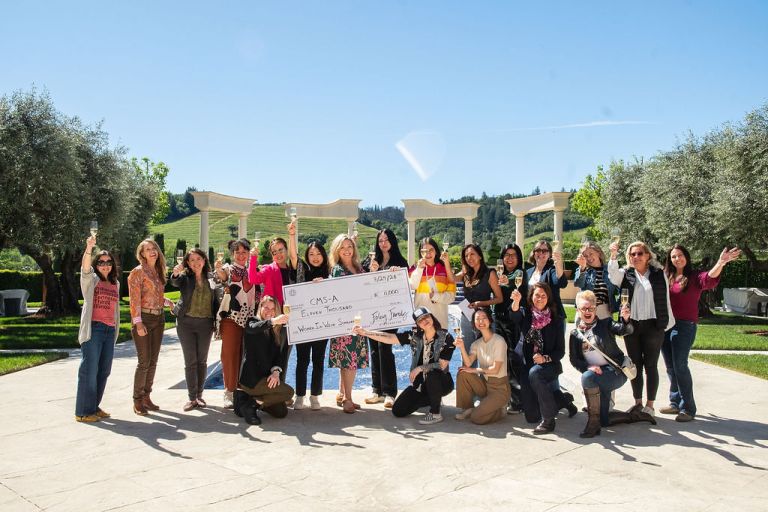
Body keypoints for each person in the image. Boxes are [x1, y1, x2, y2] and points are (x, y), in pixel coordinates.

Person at [660, 244, 741, 422]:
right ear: (669, 260)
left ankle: (688, 408)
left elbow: (709, 277)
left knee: (680, 365)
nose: (677, 259)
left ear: (686, 257)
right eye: (673, 256)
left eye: (680, 255)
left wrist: (721, 262)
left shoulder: (694, 276)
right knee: (671, 367)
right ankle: (675, 402)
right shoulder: (667, 276)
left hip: (684, 326)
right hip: (666, 326)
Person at [568, 291, 656, 437]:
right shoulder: (575, 334)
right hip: (596, 376)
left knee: (587, 378)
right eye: (584, 308)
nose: (588, 312)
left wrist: (626, 320)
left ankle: (592, 424)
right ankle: (635, 416)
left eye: (591, 308)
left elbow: (625, 330)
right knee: (604, 419)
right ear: (578, 310)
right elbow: (574, 360)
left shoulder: (606, 324)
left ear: (596, 309)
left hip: (615, 372)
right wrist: (587, 367)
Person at [356, 307, 455, 425]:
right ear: (418, 324)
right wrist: (366, 332)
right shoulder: (415, 336)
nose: (425, 321)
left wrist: (419, 368)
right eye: (420, 320)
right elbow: (390, 338)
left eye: (426, 317)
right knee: (398, 410)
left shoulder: (446, 336)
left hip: (442, 382)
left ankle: (435, 413)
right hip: (420, 385)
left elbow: (442, 365)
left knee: (432, 374)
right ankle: (432, 399)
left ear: (431, 317)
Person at [608, 241, 675, 417]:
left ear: (647, 256)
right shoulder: (626, 274)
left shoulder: (659, 274)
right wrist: (613, 255)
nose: (635, 257)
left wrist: (666, 323)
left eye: (639, 253)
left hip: (654, 325)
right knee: (634, 365)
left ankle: (650, 405)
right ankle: (637, 402)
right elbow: (612, 275)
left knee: (651, 365)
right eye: (632, 254)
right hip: (632, 325)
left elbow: (665, 300)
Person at [525, 239, 577, 417]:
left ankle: (555, 400)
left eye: (545, 250)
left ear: (549, 253)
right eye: (538, 250)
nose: (541, 253)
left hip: (552, 320)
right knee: (535, 359)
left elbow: (561, 282)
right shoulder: (528, 272)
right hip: (533, 321)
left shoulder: (551, 270)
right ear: (533, 252)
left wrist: (558, 263)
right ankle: (560, 400)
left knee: (550, 359)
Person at [170, 248, 223, 412]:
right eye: (191, 260)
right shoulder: (185, 277)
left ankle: (199, 395)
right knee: (190, 361)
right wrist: (175, 274)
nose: (195, 263)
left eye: (198, 259)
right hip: (186, 323)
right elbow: (174, 282)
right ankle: (192, 398)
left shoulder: (211, 277)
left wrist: (216, 322)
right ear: (187, 263)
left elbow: (217, 298)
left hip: (205, 324)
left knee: (202, 361)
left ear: (204, 259)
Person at [75, 235, 120, 422]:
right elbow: (85, 269)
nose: (105, 265)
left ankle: (93, 406)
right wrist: (89, 248)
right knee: (89, 370)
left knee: (104, 370)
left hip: (109, 331)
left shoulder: (115, 283)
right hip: (94, 330)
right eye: (101, 262)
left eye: (108, 262)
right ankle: (83, 412)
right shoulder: (91, 280)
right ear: (96, 264)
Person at [510, 282, 565, 434]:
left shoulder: (556, 320)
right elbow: (514, 316)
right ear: (531, 297)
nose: (539, 299)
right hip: (528, 366)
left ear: (548, 298)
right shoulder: (527, 315)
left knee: (536, 373)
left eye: (543, 296)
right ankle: (562, 400)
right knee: (532, 417)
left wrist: (545, 358)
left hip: (549, 365)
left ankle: (548, 420)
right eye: (536, 295)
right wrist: (515, 301)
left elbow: (560, 352)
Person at [363, 229, 409, 409]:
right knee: (374, 349)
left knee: (385, 348)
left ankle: (390, 392)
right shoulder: (370, 261)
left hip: (390, 313)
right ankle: (377, 390)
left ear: (392, 241)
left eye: (386, 240)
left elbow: (405, 286)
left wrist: (398, 274)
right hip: (372, 312)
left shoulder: (400, 261)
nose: (383, 243)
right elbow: (361, 283)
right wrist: (369, 271)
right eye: (380, 240)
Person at [234, 296, 294, 425]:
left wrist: (276, 371)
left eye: (273, 309)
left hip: (266, 379)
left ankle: (252, 400)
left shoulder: (276, 331)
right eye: (266, 307)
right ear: (260, 307)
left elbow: (278, 356)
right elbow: (253, 328)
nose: (269, 311)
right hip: (251, 379)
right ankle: (251, 406)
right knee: (289, 392)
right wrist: (273, 321)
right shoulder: (252, 321)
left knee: (281, 412)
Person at [215, 238, 260, 408]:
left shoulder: (253, 270)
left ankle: (242, 391)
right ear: (232, 254)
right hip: (231, 317)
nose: (241, 255)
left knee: (245, 356)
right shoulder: (229, 268)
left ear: (249, 253)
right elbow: (222, 276)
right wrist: (219, 270)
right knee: (229, 355)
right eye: (237, 252)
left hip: (250, 318)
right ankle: (229, 391)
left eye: (244, 252)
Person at [327, 233, 369, 413]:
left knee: (348, 360)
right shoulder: (338, 270)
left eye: (349, 246)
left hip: (358, 319)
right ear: (336, 250)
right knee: (349, 361)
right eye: (342, 247)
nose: (346, 250)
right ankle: (348, 399)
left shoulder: (359, 267)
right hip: (345, 321)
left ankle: (342, 393)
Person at [288, 233, 331, 411]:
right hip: (303, 325)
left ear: (323, 255)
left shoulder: (331, 273)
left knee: (319, 361)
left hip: (323, 325)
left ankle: (315, 396)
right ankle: (300, 395)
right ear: (307, 256)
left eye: (318, 254)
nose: (315, 257)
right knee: (302, 361)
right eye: (311, 254)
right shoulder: (302, 271)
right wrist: (292, 235)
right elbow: (292, 256)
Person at [128, 239, 168, 415]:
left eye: (154, 248)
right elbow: (134, 299)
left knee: (153, 361)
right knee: (144, 361)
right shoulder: (137, 272)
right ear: (142, 253)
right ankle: (137, 400)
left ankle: (146, 397)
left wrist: (165, 301)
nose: (152, 251)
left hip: (159, 318)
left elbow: (154, 294)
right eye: (148, 249)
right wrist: (138, 323)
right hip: (143, 318)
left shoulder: (157, 271)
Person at [454, 308, 511, 425]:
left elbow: (495, 370)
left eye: (484, 318)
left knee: (476, 418)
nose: (481, 321)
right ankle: (468, 408)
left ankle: (500, 410)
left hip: (499, 388)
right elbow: (468, 363)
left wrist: (474, 370)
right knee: (463, 372)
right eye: (477, 319)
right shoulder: (476, 343)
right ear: (474, 324)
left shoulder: (499, 341)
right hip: (485, 385)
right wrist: (462, 347)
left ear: (489, 320)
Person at [494, 243, 527, 413]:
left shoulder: (519, 273)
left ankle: (518, 400)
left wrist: (507, 282)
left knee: (513, 359)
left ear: (519, 257)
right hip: (497, 320)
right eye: (506, 255)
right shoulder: (499, 274)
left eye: (513, 255)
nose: (509, 258)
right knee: (501, 360)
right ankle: (504, 397)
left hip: (513, 322)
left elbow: (516, 282)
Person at [454, 244, 503, 353]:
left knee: (485, 356)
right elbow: (451, 279)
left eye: (472, 254)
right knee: (467, 354)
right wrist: (446, 261)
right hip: (466, 317)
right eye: (466, 256)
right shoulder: (466, 274)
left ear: (480, 256)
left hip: (484, 317)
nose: (469, 258)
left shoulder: (490, 273)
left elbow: (499, 298)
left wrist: (480, 303)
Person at [408, 237, 456, 329]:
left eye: (431, 250)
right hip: (420, 322)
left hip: (440, 323)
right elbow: (412, 285)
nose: (428, 253)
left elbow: (451, 297)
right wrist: (419, 269)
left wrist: (436, 296)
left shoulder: (446, 269)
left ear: (436, 251)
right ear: (420, 252)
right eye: (424, 251)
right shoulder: (414, 268)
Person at [574, 241, 618, 320]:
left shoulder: (610, 269)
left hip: (604, 311)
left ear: (598, 253)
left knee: (606, 332)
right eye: (585, 256)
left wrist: (618, 305)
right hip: (585, 311)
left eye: (591, 254)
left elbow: (621, 287)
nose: (589, 258)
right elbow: (578, 284)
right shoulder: (582, 269)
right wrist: (582, 268)